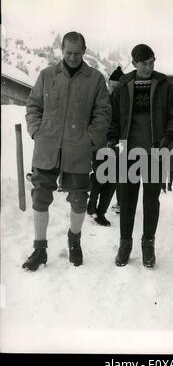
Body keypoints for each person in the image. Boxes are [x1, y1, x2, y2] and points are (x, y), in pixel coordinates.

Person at [22, 31, 111, 271]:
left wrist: (90, 140)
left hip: (78, 150)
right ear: (62, 51)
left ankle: (75, 242)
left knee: (79, 199)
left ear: (84, 51)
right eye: (68, 52)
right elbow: (33, 106)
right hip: (47, 147)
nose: (72, 57)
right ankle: (39, 250)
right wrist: (36, 132)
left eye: (77, 53)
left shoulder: (95, 79)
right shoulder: (47, 75)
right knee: (40, 197)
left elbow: (103, 114)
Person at [109, 44, 173, 268]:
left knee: (151, 201)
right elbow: (113, 118)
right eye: (144, 63)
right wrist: (111, 139)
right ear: (134, 63)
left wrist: (169, 135)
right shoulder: (123, 87)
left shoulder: (165, 86)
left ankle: (148, 246)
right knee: (127, 201)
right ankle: (125, 245)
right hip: (127, 153)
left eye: (152, 62)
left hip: (155, 153)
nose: (149, 67)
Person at [87, 66, 124, 226]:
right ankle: (91, 205)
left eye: (119, 87)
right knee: (100, 176)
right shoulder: (100, 100)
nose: (115, 90)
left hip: (118, 147)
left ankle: (100, 212)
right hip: (100, 144)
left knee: (112, 181)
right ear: (109, 84)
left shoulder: (124, 104)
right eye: (113, 86)